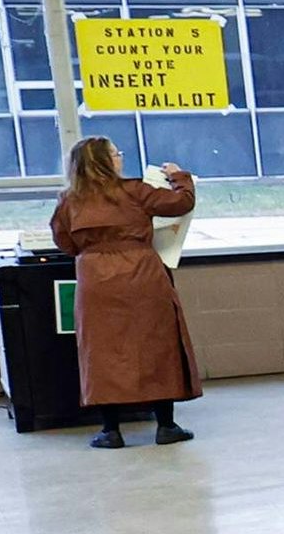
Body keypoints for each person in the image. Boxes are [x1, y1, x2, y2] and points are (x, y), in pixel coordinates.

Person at [50, 137, 199, 450]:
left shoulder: (69, 200)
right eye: (116, 154)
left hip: (95, 281)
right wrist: (179, 176)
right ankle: (166, 425)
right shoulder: (134, 191)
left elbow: (64, 242)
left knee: (102, 352)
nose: (120, 158)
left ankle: (111, 430)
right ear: (106, 162)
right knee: (157, 345)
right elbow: (181, 203)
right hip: (143, 275)